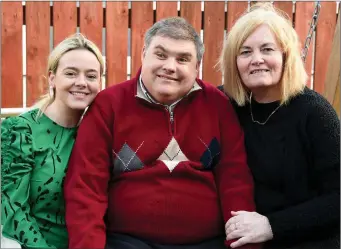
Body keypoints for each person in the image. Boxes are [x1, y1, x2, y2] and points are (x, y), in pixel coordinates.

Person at [64, 17, 261, 249]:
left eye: (182, 59)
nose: (170, 66)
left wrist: (242, 245)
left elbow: (235, 181)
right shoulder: (109, 105)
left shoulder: (217, 105)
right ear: (144, 54)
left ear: (197, 66)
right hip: (127, 242)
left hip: (207, 242)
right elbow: (86, 188)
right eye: (161, 54)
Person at [218, 3, 340, 249]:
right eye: (245, 52)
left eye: (267, 49)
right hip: (239, 238)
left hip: (305, 239)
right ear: (234, 62)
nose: (257, 60)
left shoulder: (315, 113)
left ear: (285, 55)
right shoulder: (224, 104)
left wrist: (271, 226)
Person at [1, 33, 104, 249]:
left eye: (91, 76)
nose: (82, 83)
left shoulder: (100, 133)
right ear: (52, 78)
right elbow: (12, 209)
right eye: (71, 73)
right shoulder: (20, 131)